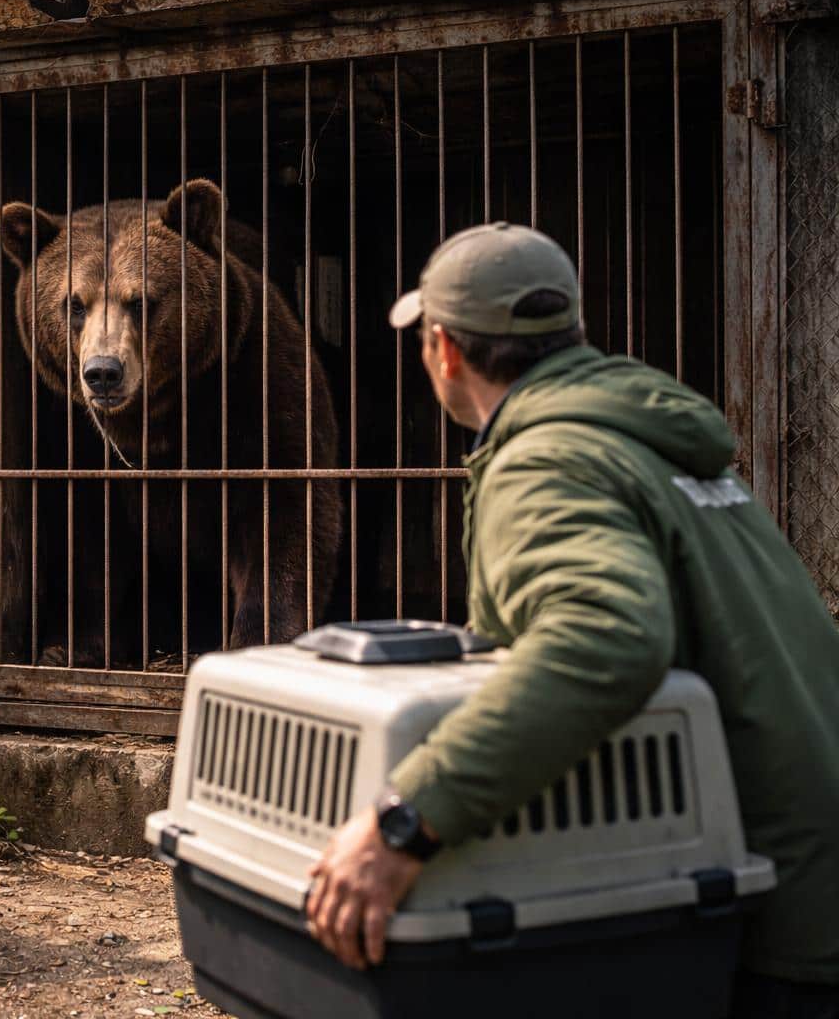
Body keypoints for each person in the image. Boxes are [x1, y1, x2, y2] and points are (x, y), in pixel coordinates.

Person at [304, 222, 839, 1014]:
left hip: (770, 902)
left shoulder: (547, 459)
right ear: (572, 332)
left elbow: (605, 636)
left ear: (443, 350)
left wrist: (406, 821)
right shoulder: (643, 442)